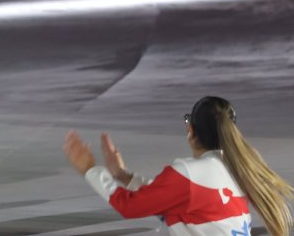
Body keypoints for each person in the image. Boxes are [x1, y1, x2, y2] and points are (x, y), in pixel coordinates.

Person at [63, 96, 293, 235]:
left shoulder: (190, 174)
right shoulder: (235, 168)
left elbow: (131, 207)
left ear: (190, 131)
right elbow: (169, 199)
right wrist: (123, 175)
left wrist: (90, 169)